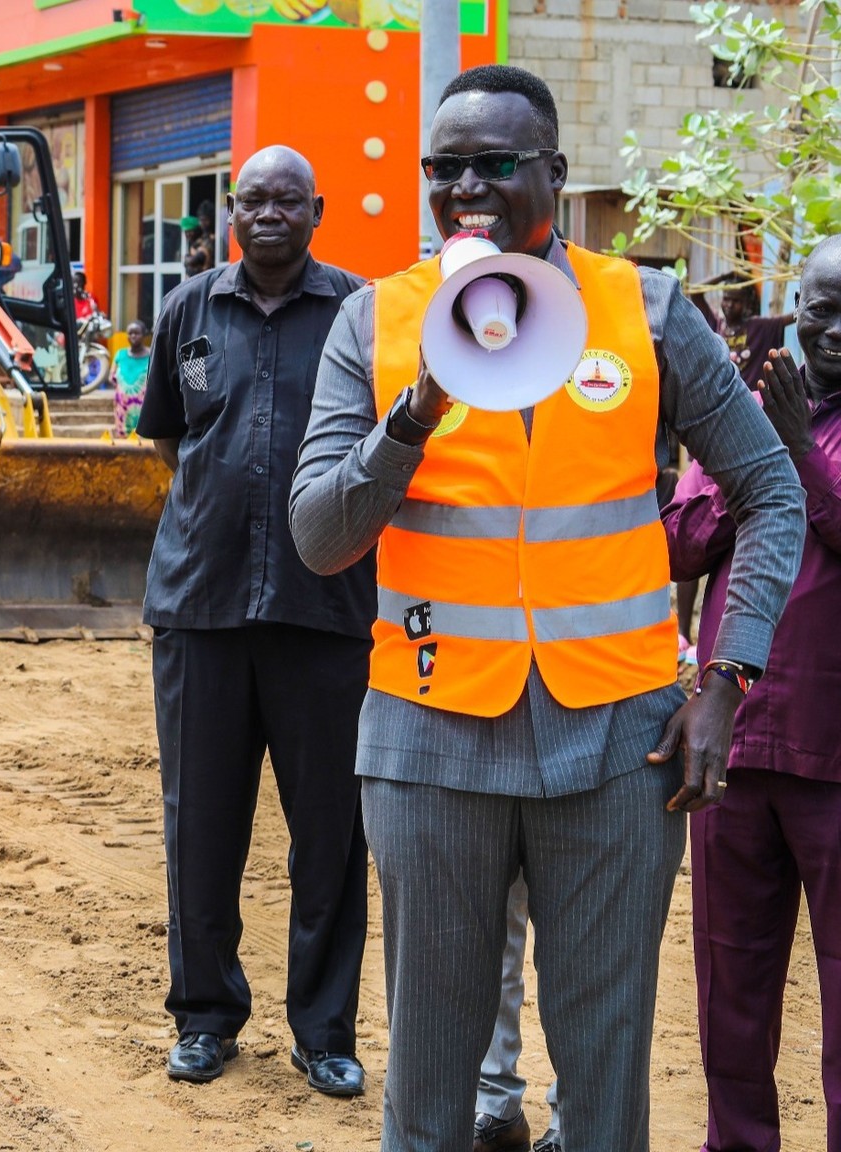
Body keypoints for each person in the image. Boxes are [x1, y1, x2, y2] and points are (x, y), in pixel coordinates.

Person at [289, 64, 804, 1151]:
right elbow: (319, 533)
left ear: (556, 175)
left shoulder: (645, 310)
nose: (465, 186)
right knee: (426, 1089)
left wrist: (725, 683)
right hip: (428, 750)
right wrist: (412, 412)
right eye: (444, 168)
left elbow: (770, 493)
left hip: (616, 752)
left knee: (603, 1082)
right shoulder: (374, 323)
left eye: (495, 162)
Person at [136, 145, 375, 1098]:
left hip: (328, 614)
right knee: (201, 826)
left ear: (317, 209)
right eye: (252, 201)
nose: (269, 213)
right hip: (203, 606)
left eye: (287, 200)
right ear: (231, 213)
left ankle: (325, 1033)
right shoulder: (187, 311)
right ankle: (205, 1019)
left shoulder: (359, 310)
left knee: (331, 834)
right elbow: (168, 437)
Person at [665, 242, 841, 1152]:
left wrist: (796, 454)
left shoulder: (794, 423)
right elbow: (681, 543)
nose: (836, 328)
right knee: (731, 981)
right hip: (730, 742)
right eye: (821, 308)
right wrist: (757, 458)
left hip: (834, 750)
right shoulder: (746, 412)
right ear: (795, 306)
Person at [112, 320, 151, 438]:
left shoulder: (152, 354)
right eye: (130, 333)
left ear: (144, 335)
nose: (133, 336)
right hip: (123, 409)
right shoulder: (120, 354)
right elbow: (112, 377)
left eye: (137, 333)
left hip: (145, 409)